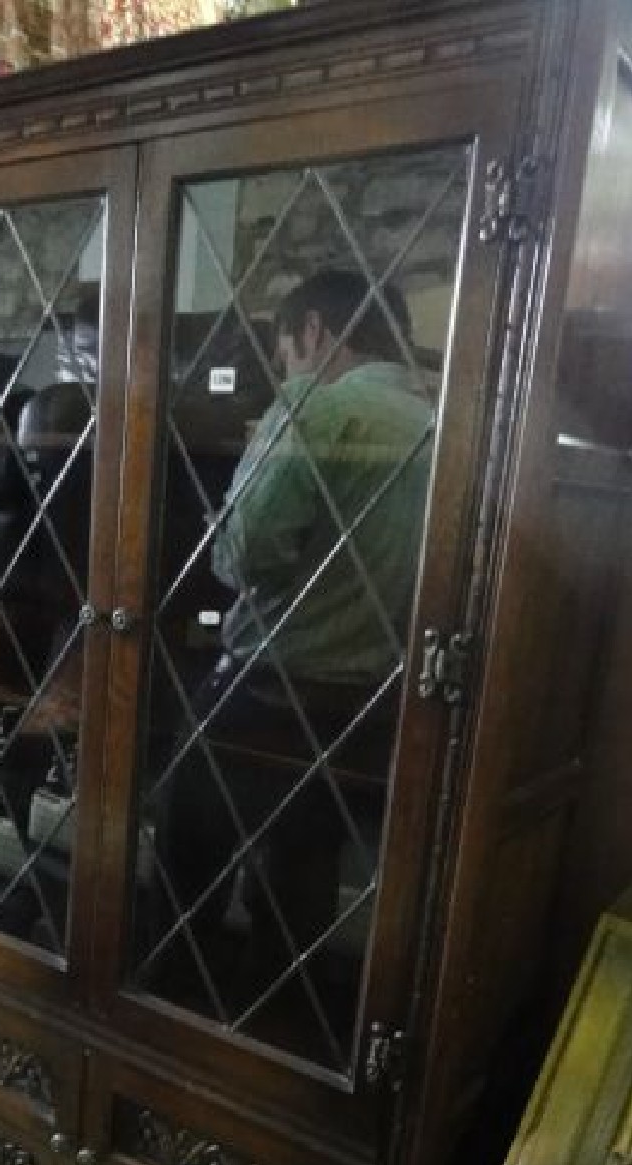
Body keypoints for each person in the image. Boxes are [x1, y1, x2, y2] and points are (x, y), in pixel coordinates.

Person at [150, 268, 437, 1036]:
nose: (287, 369)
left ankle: (163, 1025)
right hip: (372, 704)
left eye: (284, 351)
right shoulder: (442, 419)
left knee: (186, 857)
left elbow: (242, 556)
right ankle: (267, 1037)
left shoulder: (317, 409)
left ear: (313, 332)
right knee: (302, 874)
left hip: (267, 693)